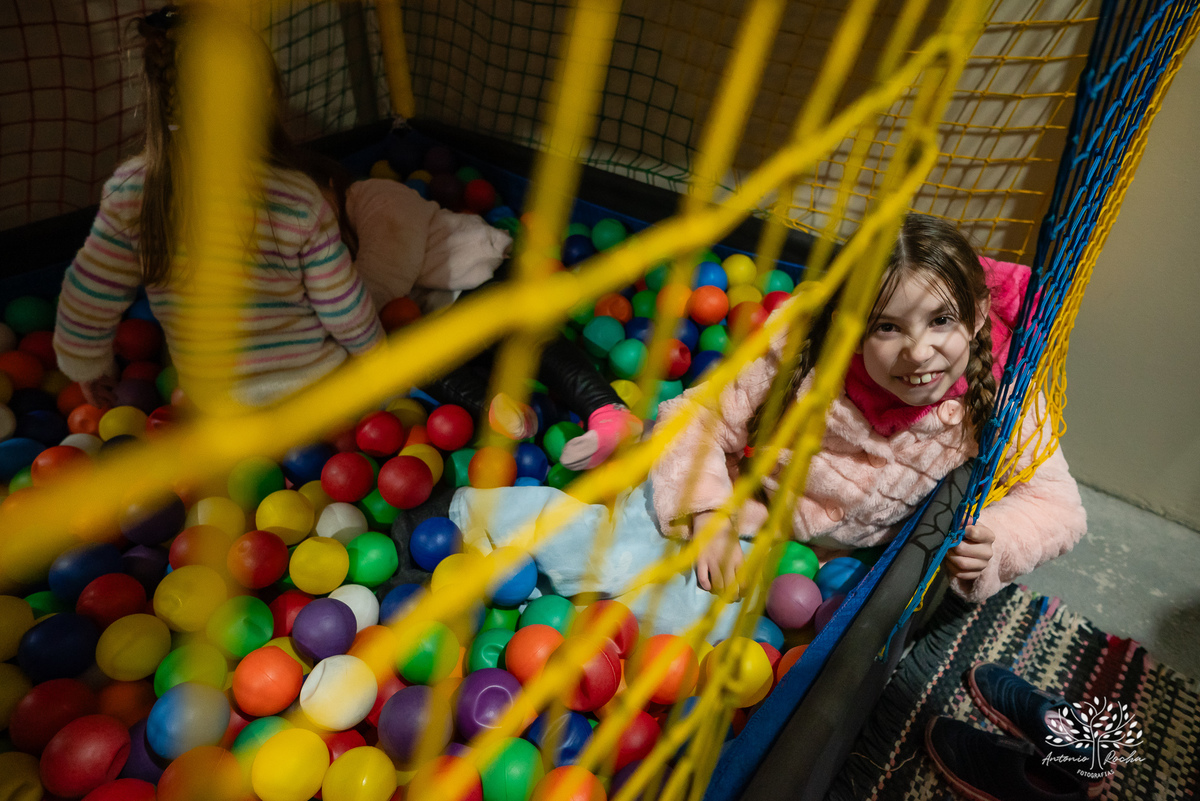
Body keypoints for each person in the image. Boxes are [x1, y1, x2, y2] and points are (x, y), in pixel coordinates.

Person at [437, 214, 1087, 637]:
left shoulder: (999, 389)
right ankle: (504, 525)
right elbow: (697, 417)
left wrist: (1001, 538)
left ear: (975, 317)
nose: (918, 353)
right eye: (887, 327)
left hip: (840, 557)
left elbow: (1057, 503)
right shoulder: (802, 346)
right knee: (638, 545)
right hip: (758, 499)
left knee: (716, 624)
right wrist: (709, 513)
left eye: (940, 321)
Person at [52, 6, 383, 410]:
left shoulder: (134, 191)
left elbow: (87, 295)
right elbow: (344, 306)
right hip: (310, 397)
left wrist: (87, 367)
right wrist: (376, 361)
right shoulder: (297, 197)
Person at [325, 166, 644, 469]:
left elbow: (382, 283)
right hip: (444, 322)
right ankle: (503, 414)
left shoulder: (374, 196)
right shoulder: (323, 242)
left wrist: (333, 358)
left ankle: (609, 412)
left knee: (523, 338)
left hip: (488, 276)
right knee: (413, 354)